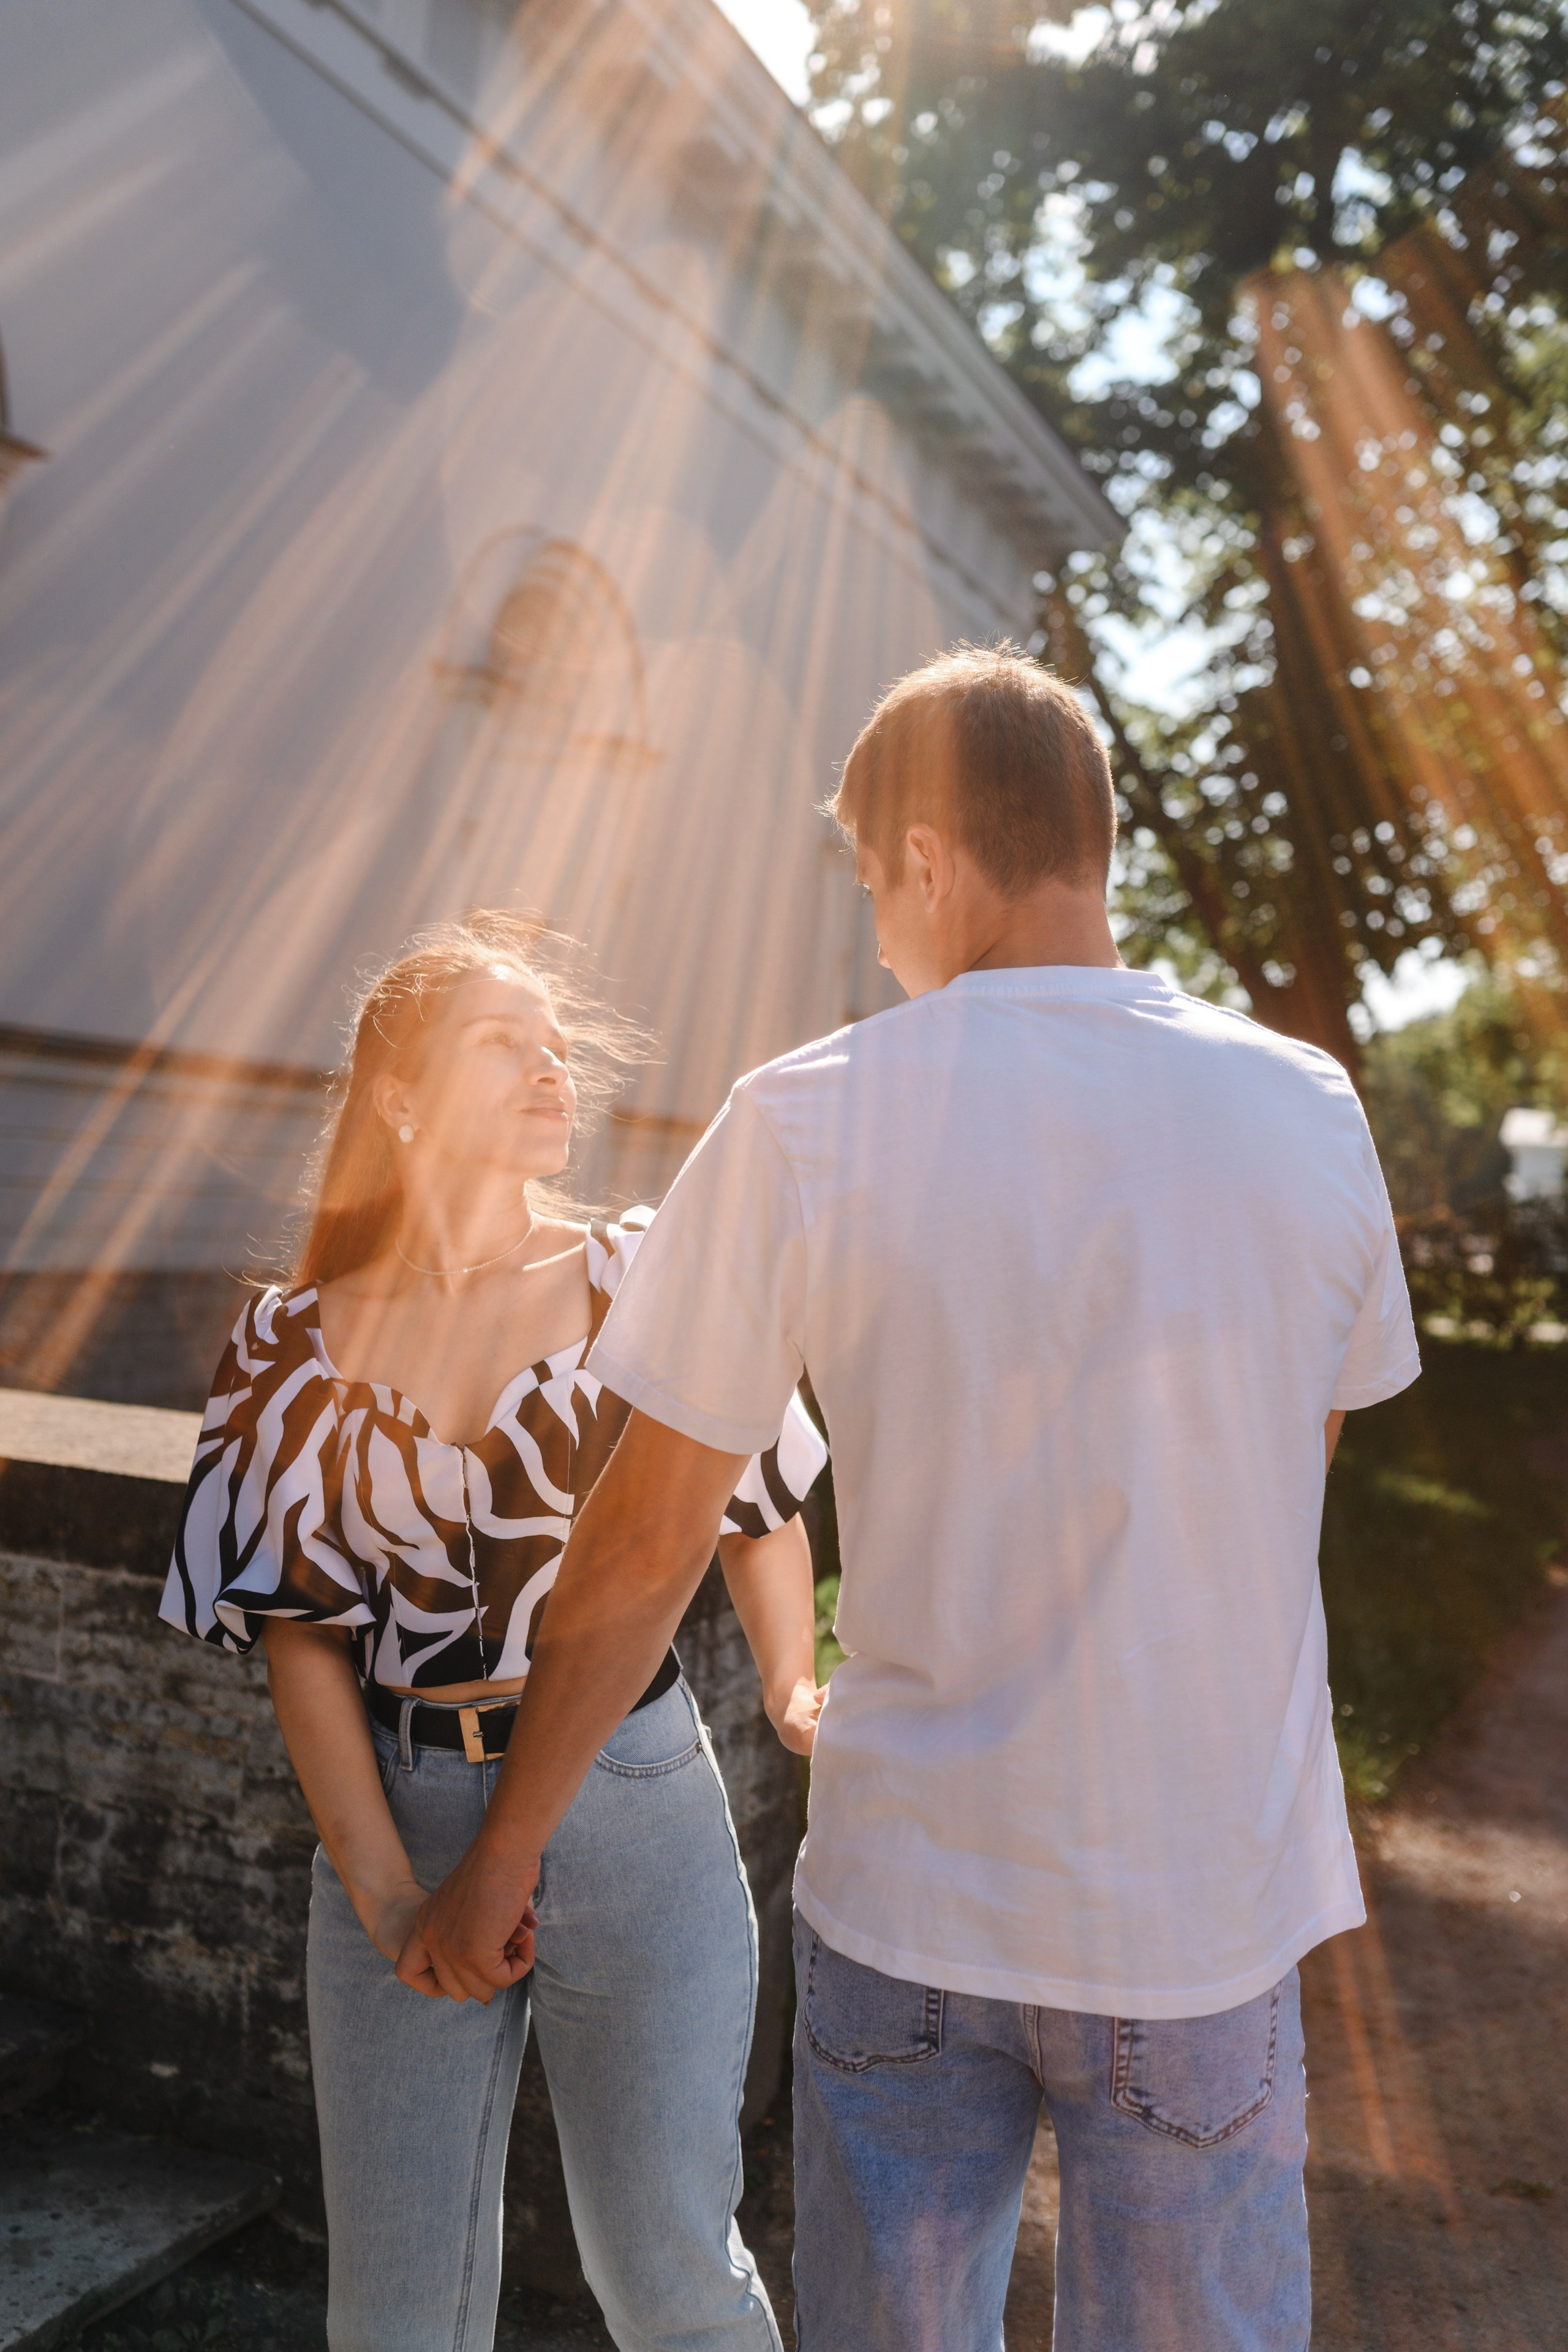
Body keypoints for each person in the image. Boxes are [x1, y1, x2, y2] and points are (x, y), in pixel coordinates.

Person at [410, 646, 1420, 2352]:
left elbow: (648, 1538)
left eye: (877, 883)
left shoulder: (806, 1119)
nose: (877, 931)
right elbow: (1295, 1458)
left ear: (935, 861)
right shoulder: (1307, 1106)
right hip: (1194, 1905)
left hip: (913, 1906)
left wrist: (501, 1856)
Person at [158, 913, 827, 2352]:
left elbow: (758, 1496)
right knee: (393, 2309)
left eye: (557, 1045)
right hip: (397, 1803)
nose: (551, 1069)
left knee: (666, 2274)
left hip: (629, 1792)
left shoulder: (639, 1273)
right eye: (502, 1042)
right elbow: (300, 1642)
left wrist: (790, 1685)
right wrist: (390, 1897)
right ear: (395, 1098)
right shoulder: (286, 1344)